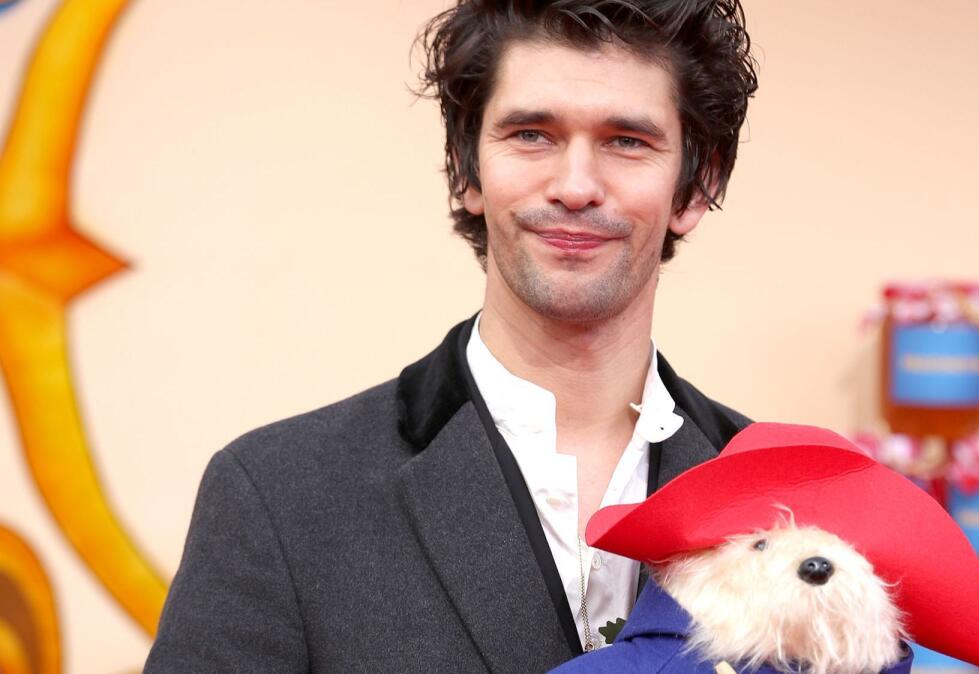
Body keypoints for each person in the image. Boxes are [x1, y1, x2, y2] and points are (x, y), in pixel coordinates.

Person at [144, 1, 759, 672]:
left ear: (698, 184)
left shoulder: (789, 502)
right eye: (531, 134)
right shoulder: (276, 496)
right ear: (466, 168)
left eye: (627, 141)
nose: (576, 186)